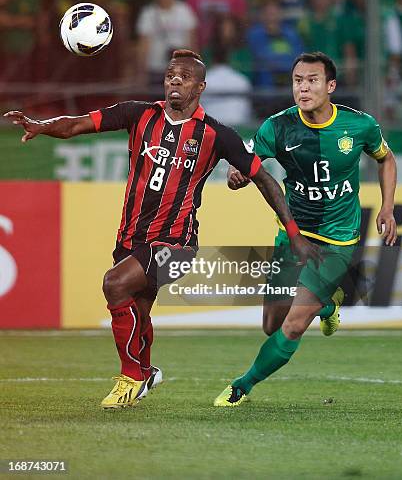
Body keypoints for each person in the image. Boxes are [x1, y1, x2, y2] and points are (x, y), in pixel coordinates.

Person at [4, 49, 320, 410]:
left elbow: (264, 179)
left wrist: (294, 233)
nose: (174, 80)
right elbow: (78, 124)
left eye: (184, 77)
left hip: (178, 244)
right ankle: (146, 372)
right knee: (137, 309)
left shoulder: (215, 134)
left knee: (114, 283)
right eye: (170, 74)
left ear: (199, 87)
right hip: (130, 238)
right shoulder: (138, 114)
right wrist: (41, 126)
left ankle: (132, 377)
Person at [214, 51, 397, 407]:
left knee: (294, 325)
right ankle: (328, 308)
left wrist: (387, 206)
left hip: (338, 240)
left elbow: (385, 158)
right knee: (272, 323)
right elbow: (249, 160)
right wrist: (238, 174)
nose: (304, 87)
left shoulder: (359, 125)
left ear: (330, 86)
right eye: (298, 81)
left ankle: (242, 386)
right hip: (294, 235)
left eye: (312, 80)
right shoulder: (278, 126)